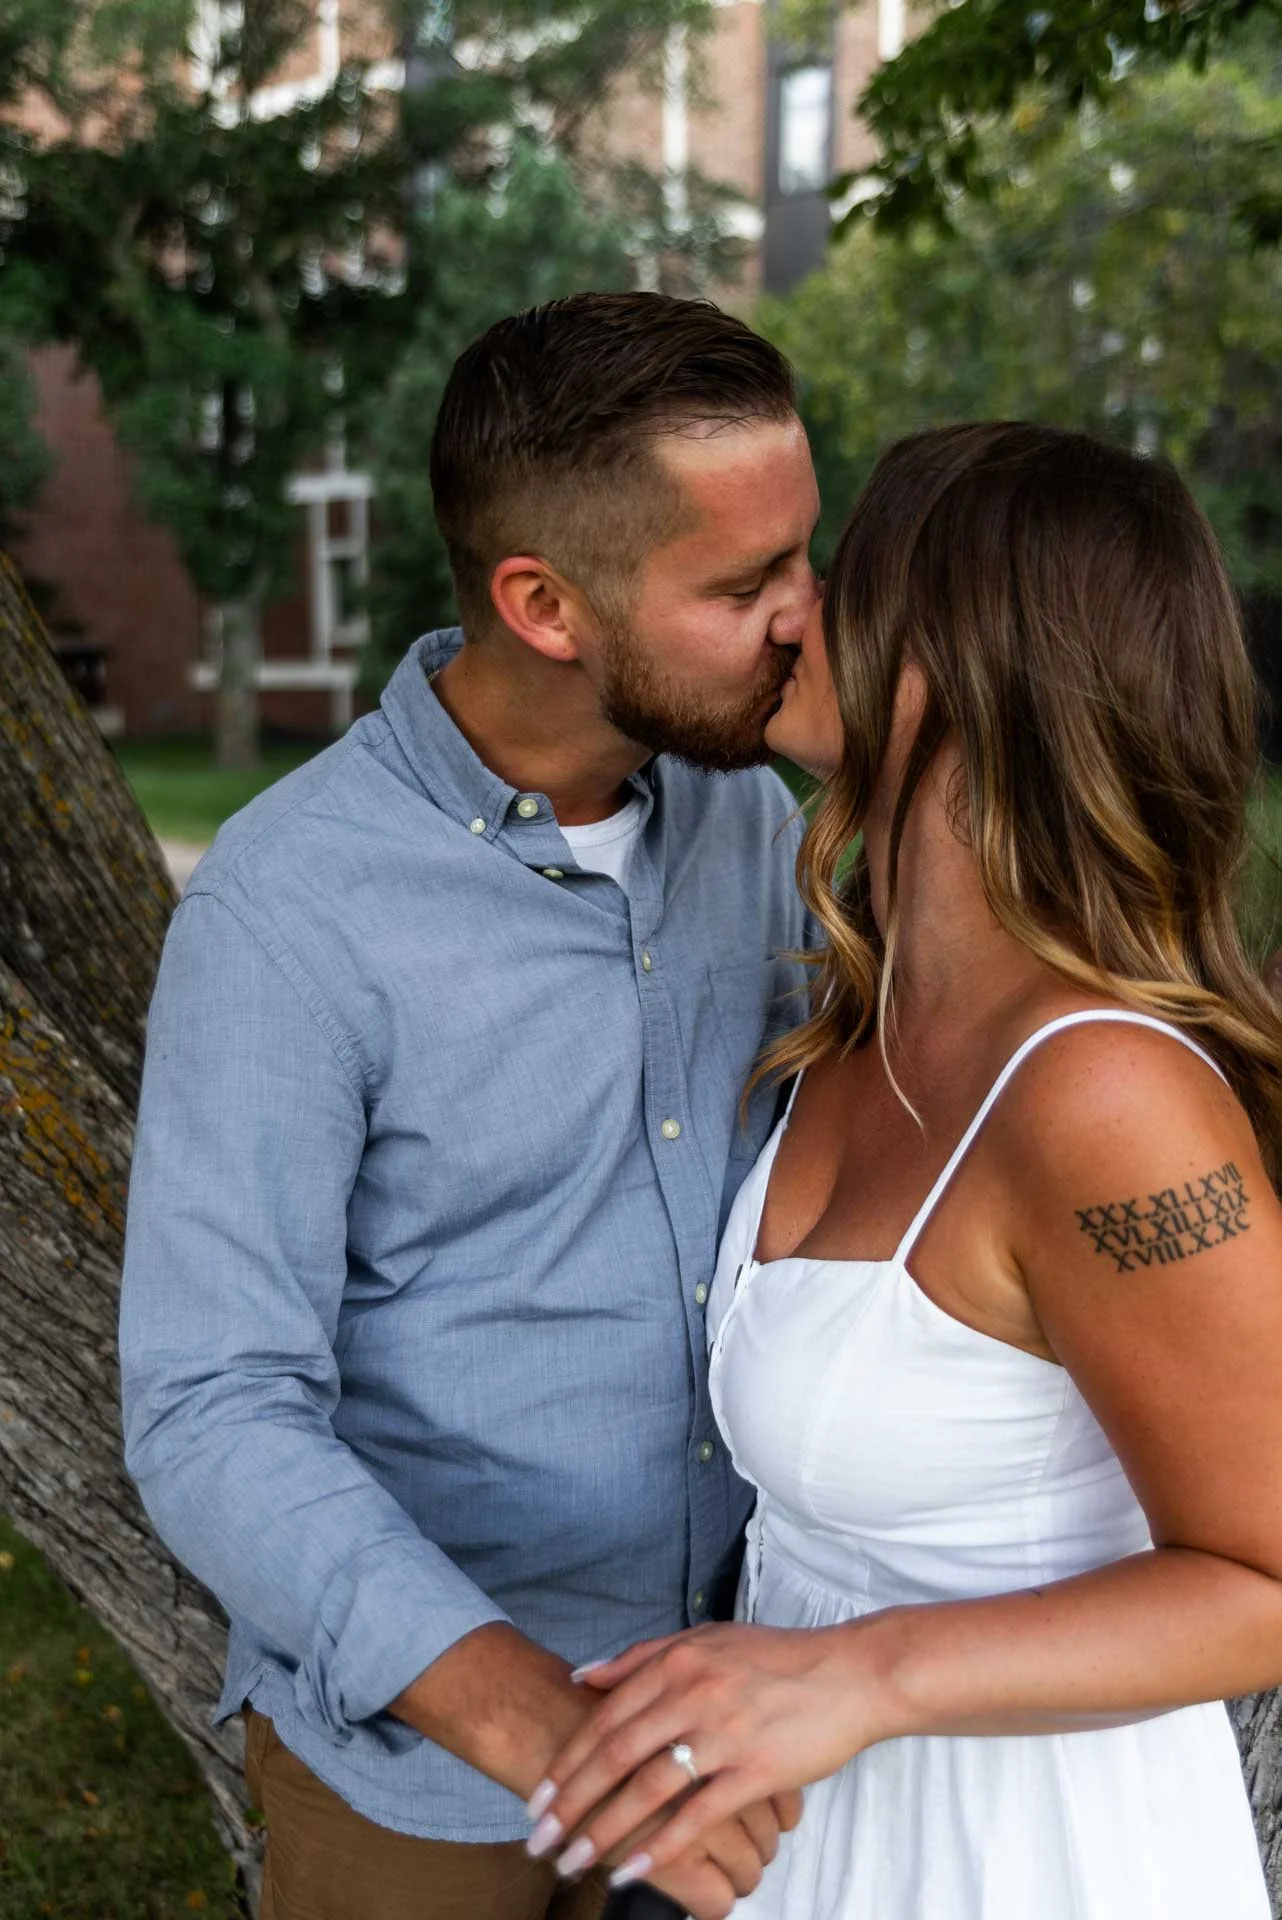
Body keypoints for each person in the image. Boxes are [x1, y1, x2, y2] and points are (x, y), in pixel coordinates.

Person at [118, 291, 822, 1920]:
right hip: (430, 1779)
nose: (805, 615)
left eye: (802, 555)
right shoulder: (291, 911)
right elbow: (212, 1403)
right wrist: (533, 1722)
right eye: (742, 584)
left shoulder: (746, 813)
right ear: (543, 604)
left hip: (737, 1706)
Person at [533, 422, 1282, 1919]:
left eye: (841, 572)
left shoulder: (1100, 1096)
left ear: (945, 655)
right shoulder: (854, 1020)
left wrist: (857, 1678)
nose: (793, 609)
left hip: (1030, 1852)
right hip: (807, 1836)